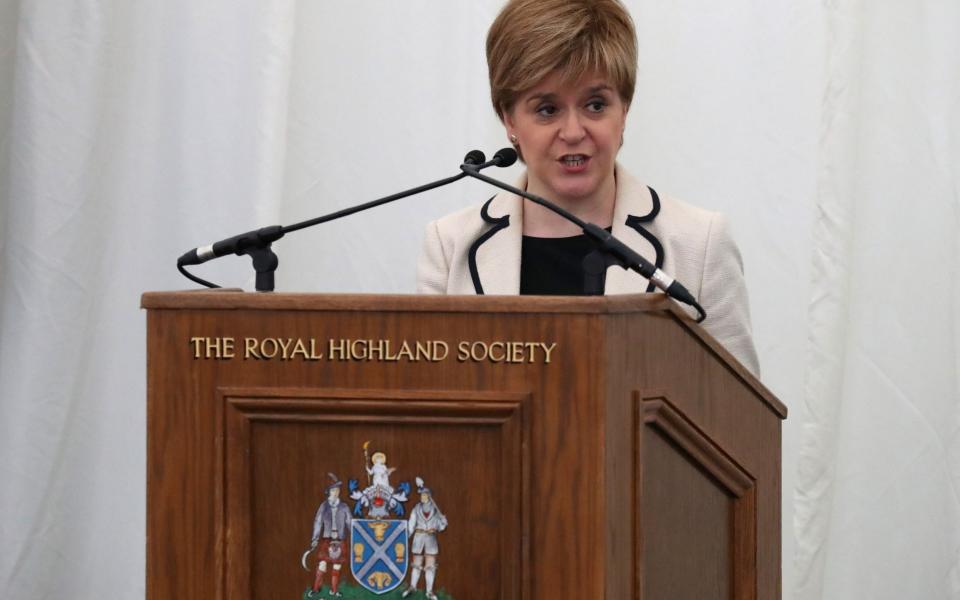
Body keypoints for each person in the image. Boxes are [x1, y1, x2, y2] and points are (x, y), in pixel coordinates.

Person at [416, 0, 760, 376]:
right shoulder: (451, 246)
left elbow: (739, 422)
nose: (574, 132)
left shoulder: (699, 243)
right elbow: (432, 413)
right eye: (547, 110)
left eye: (595, 105)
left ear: (624, 109)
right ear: (508, 118)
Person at [308, 474, 353, 597]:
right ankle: (316, 589)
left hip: (340, 539)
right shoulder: (324, 506)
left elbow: (350, 523)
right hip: (327, 539)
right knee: (322, 564)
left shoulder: (344, 507)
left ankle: (334, 590)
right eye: (333, 490)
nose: (336, 493)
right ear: (328, 492)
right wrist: (315, 539)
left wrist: (354, 536)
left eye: (337, 490)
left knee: (337, 566)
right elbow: (318, 522)